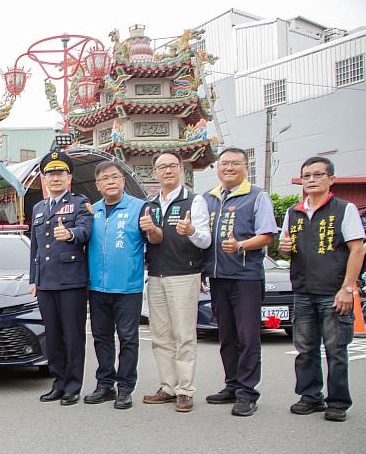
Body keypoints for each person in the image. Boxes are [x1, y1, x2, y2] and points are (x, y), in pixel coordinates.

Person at [279, 156, 365, 422]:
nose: (312, 180)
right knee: (305, 348)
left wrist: (348, 288)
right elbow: (285, 246)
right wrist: (283, 249)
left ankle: (338, 401)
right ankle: (310, 396)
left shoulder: (344, 209)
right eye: (307, 176)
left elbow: (357, 249)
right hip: (303, 290)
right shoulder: (293, 212)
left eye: (318, 175)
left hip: (334, 291)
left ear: (331, 179)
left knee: (336, 349)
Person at [203, 147, 278, 417]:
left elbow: (267, 235)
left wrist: (242, 245)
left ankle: (247, 392)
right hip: (218, 277)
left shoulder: (257, 196)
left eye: (235, 163)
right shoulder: (209, 198)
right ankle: (232, 384)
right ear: (218, 167)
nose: (229, 168)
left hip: (246, 277)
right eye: (224, 163)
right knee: (227, 336)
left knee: (248, 337)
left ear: (246, 166)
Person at [84, 160, 159, 409]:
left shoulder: (139, 208)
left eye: (115, 177)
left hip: (128, 287)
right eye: (105, 178)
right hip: (97, 287)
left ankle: (125, 388)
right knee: (101, 338)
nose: (110, 182)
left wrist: (152, 230)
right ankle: (105, 384)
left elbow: (156, 239)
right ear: (98, 184)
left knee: (128, 338)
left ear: (123, 180)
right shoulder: (91, 211)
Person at [141, 151, 211, 413]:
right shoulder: (150, 205)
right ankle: (168, 386)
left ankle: (185, 389)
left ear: (181, 170)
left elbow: (206, 240)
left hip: (184, 274)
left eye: (172, 166)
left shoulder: (194, 201)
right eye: (162, 167)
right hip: (157, 275)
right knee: (160, 335)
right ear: (155, 173)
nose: (167, 171)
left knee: (183, 335)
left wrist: (191, 231)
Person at [28, 150, 93, 405]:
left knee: (73, 335)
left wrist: (72, 234)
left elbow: (87, 230)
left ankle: (73, 385)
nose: (55, 178)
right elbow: (34, 247)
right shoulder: (38, 207)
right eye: (50, 174)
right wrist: (34, 279)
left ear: (69, 177)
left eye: (60, 173)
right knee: (53, 335)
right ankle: (58, 382)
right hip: (45, 282)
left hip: (71, 281)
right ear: (44, 179)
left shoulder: (79, 203)